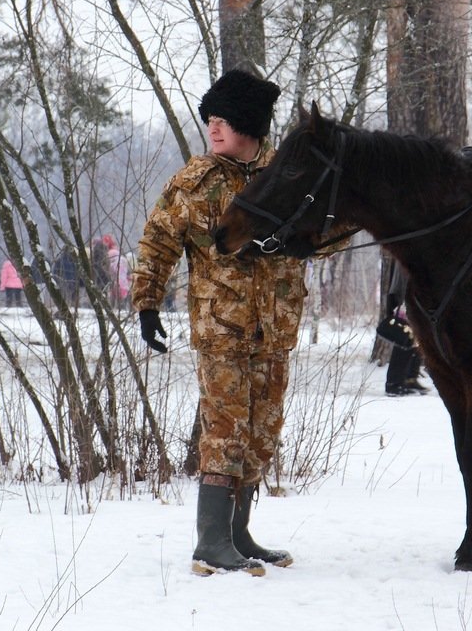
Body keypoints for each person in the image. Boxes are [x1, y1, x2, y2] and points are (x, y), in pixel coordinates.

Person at [132, 66, 336, 578]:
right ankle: (210, 543)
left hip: (276, 328)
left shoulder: (286, 179)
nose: (214, 128)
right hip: (221, 328)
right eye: (210, 120)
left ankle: (238, 534)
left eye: (224, 120)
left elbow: (330, 230)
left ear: (251, 125)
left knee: (263, 433)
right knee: (225, 430)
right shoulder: (194, 182)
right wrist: (147, 305)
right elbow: (157, 243)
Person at [376, 258, 429, 397]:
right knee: (405, 339)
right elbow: (401, 278)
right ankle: (394, 384)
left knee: (417, 339)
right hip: (405, 297)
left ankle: (410, 379)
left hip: (415, 296)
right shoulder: (405, 252)